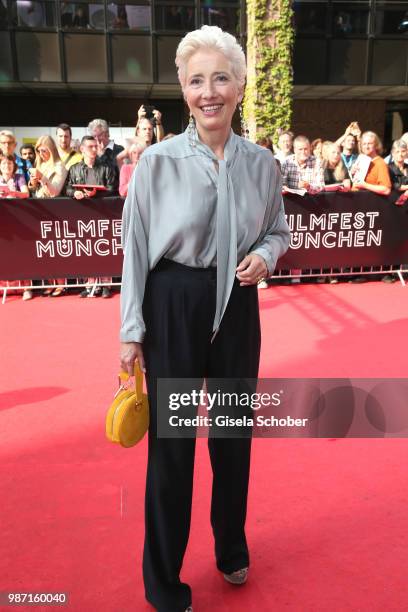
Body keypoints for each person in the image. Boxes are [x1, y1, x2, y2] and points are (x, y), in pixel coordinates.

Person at [120, 25, 290, 612]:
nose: (209, 91)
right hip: (173, 304)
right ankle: (163, 579)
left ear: (240, 86)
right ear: (183, 89)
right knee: (171, 446)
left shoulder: (263, 164)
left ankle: (230, 544)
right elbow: (135, 248)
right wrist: (130, 332)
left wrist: (264, 256)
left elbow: (277, 228)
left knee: (232, 438)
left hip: (237, 306)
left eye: (221, 78)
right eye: (197, 81)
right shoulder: (157, 163)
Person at [65, 135, 118, 298]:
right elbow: (67, 189)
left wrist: (97, 193)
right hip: (83, 216)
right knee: (88, 250)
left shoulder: (107, 166)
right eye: (90, 147)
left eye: (95, 146)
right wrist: (76, 192)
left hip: (104, 214)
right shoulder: (74, 168)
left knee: (104, 250)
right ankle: (90, 285)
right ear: (82, 149)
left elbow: (112, 188)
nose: (94, 149)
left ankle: (106, 285)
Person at [28, 135, 68, 296]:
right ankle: (51, 282)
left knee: (55, 249)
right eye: (38, 150)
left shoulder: (60, 166)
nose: (41, 153)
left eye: (44, 150)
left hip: (54, 212)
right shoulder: (40, 164)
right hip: (39, 211)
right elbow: (33, 189)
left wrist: (42, 177)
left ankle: (61, 283)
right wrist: (33, 181)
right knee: (44, 250)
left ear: (51, 149)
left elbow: (54, 191)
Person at [352, 131, 391, 196]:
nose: (366, 146)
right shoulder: (361, 160)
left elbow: (386, 190)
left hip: (368, 203)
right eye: (364, 144)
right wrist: (352, 174)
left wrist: (365, 185)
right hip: (355, 200)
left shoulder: (380, 163)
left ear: (376, 145)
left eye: (369, 143)